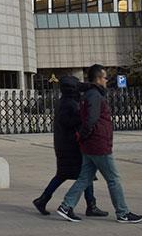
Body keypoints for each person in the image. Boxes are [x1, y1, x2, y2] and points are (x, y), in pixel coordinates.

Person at [56, 64, 142, 224]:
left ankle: (66, 206)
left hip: (90, 144)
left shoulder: (88, 94)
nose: (106, 80)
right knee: (113, 179)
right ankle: (123, 212)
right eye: (105, 77)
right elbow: (91, 120)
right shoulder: (94, 95)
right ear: (98, 78)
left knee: (84, 178)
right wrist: (84, 135)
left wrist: (83, 137)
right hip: (98, 144)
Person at [32, 75, 107, 217]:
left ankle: (44, 199)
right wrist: (82, 115)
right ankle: (88, 205)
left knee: (79, 174)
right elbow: (68, 122)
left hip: (67, 144)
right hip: (69, 146)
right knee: (83, 174)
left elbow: (82, 87)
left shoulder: (68, 100)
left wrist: (92, 87)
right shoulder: (68, 103)